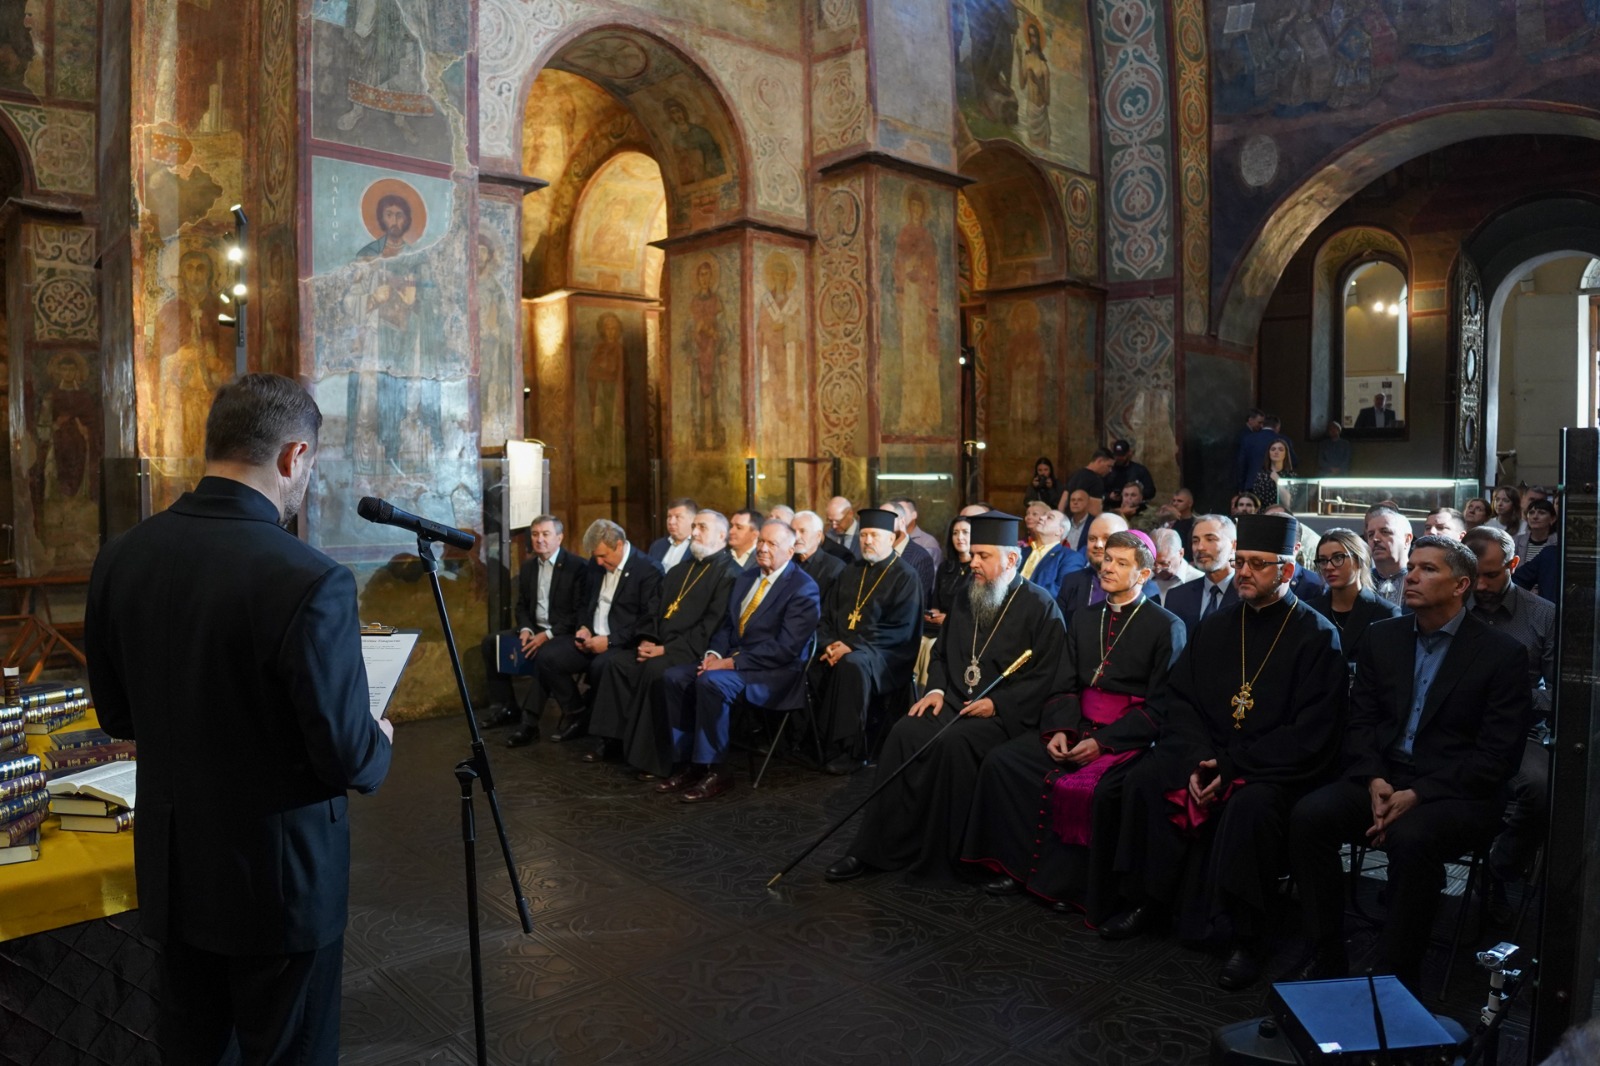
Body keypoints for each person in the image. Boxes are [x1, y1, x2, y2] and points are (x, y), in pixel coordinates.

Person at [86, 373, 394, 1061]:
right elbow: (346, 756)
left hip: (176, 875)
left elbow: (117, 715)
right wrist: (377, 741)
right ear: (294, 455)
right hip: (278, 887)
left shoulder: (122, 557)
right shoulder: (310, 578)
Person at [1101, 513, 1346, 991]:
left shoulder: (1317, 636)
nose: (1244, 573)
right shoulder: (1215, 626)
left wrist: (1231, 765)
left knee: (1252, 806)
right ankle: (1148, 900)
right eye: (1240, 562)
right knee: (1147, 777)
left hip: (1272, 766)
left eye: (1257, 564)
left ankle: (1246, 937)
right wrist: (1199, 758)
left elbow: (1312, 731)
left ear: (1287, 570)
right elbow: (1182, 700)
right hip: (1209, 753)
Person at [1287, 536, 1529, 993]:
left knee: (1412, 837)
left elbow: (1496, 757)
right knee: (1309, 816)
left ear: (1461, 585)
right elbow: (1361, 720)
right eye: (1412, 567)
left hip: (1455, 790)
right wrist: (1375, 779)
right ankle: (1325, 949)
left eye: (1428, 569)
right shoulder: (1385, 636)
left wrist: (1418, 794)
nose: (1411, 577)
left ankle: (1396, 975)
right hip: (1385, 775)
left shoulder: (1500, 654)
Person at [825, 512, 1068, 882]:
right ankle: (874, 848)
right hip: (953, 700)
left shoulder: (1041, 607)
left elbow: (1048, 675)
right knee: (904, 732)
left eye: (983, 556)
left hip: (1002, 714)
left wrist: (998, 704)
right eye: (973, 554)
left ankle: (940, 855)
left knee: (953, 744)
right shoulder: (967, 596)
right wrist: (936, 689)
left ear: (1011, 559)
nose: (973, 562)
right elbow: (940, 654)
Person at [963, 531, 1186, 919]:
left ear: (1144, 575)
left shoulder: (1167, 626)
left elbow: (1160, 706)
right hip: (1077, 725)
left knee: (1092, 791)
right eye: (1107, 559)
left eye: (1121, 563)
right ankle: (1013, 868)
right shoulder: (1083, 618)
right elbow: (1064, 683)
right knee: (1005, 762)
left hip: (1125, 739)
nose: (1108, 567)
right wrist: (1061, 731)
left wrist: (1104, 743)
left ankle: (1070, 887)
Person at [655, 520, 820, 801]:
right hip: (734, 661)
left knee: (711, 683)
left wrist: (731, 663)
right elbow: (727, 626)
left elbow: (785, 649)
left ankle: (716, 770)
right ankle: (688, 764)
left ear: (790, 551)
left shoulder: (803, 588)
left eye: (772, 544)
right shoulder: (747, 577)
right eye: (761, 541)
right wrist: (714, 655)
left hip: (775, 672)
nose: (763, 548)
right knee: (675, 677)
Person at [586, 510, 742, 775]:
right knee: (617, 663)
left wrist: (665, 649)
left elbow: (712, 625)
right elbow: (654, 609)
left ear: (721, 536)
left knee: (654, 670)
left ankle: (653, 758)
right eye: (694, 526)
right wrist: (648, 639)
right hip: (660, 644)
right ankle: (613, 741)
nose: (694, 532)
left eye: (702, 527)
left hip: (689, 651)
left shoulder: (730, 574)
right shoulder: (681, 569)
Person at [1462, 526, 1556, 897]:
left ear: (1513, 564)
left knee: (1541, 789)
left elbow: (1562, 694)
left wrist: (1510, 698)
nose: (1481, 586)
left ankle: (1498, 870)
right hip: (1455, 727)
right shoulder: (1453, 604)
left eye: (1491, 574)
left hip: (1519, 732)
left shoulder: (1542, 615)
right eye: (1474, 576)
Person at [516, 519, 664, 746]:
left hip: (621, 643)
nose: (599, 562)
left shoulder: (648, 569)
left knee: (601, 666)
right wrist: (584, 628)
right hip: (591, 637)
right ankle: (576, 713)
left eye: (603, 556)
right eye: (596, 557)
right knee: (548, 656)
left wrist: (609, 641)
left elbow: (646, 620)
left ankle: (605, 737)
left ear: (619, 545)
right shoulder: (596, 564)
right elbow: (584, 604)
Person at [809, 508, 924, 773]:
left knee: (852, 665)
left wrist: (851, 645)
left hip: (887, 654)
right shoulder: (850, 572)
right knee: (811, 660)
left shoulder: (905, 576)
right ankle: (812, 743)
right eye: (863, 535)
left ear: (891, 538)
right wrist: (829, 644)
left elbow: (901, 628)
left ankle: (849, 750)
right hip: (844, 648)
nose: (867, 541)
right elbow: (825, 615)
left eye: (874, 535)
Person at [478, 515, 588, 730]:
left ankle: (530, 721)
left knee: (544, 654)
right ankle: (506, 707)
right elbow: (521, 606)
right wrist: (526, 629)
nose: (539, 539)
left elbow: (578, 613)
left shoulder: (577, 567)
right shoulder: (529, 567)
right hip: (534, 629)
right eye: (535, 534)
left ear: (559, 537)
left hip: (562, 634)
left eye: (546, 534)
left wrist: (547, 635)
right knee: (491, 643)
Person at [1303, 528, 1398, 665]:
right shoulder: (1309, 612)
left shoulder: (1385, 613)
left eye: (1338, 558)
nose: (1328, 567)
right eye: (1323, 560)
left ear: (1359, 560)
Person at [1054, 512, 1131, 631]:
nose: (1098, 545)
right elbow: (1058, 631)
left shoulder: (1136, 586)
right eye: (1092, 539)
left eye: (1107, 538)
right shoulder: (1071, 582)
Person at [1163, 515, 1239, 635]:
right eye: (1195, 541)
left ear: (1234, 545)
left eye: (1210, 539)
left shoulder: (1249, 595)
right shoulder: (1176, 597)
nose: (1200, 547)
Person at [1019, 508, 1086, 598]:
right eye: (1043, 515)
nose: (1041, 518)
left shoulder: (1070, 558)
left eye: (1049, 517)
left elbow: (1062, 592)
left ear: (1059, 531)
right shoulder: (1021, 552)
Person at [927, 515, 973, 641]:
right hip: (938, 628)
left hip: (963, 630)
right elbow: (935, 604)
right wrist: (933, 615)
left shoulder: (979, 568)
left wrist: (949, 619)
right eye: (955, 533)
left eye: (965, 532)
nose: (959, 537)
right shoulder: (945, 567)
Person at [885, 498, 939, 603]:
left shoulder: (922, 555)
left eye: (888, 518)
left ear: (902, 521)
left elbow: (918, 599)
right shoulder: (880, 552)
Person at [792, 509, 847, 603]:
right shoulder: (785, 562)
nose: (796, 537)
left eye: (802, 531)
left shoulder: (834, 567)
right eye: (793, 531)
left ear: (818, 535)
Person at [1365, 505, 1412, 608]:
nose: (1375, 539)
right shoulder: (1362, 582)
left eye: (1385, 532)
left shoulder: (1420, 581)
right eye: (1371, 535)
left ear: (1407, 539)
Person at [886, 494, 943, 568]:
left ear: (914, 515)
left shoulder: (927, 542)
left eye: (902, 510)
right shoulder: (886, 538)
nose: (898, 515)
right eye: (894, 512)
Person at [1149, 527, 1202, 605]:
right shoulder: (1142, 578)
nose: (1157, 570)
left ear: (1181, 553)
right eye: (1152, 563)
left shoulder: (1199, 581)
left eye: (1164, 564)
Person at [647, 497, 698, 570]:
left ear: (693, 520)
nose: (671, 522)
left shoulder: (700, 547)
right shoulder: (657, 546)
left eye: (678, 517)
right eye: (669, 516)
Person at [1104, 439, 1156, 509]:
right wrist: (1109, 496)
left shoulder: (1139, 470)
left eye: (1122, 455)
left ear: (1128, 453)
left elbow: (1151, 491)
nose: (1119, 458)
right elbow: (1098, 490)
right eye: (1117, 455)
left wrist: (1135, 495)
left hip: (1135, 508)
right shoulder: (1108, 470)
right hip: (1112, 507)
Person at [1232, 408, 1275, 491]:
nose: (1262, 426)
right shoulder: (1244, 437)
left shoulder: (1248, 436)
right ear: (1250, 420)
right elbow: (1240, 462)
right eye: (1259, 422)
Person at [1064, 449, 1115, 516]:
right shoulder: (1096, 481)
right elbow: (1095, 512)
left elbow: (1062, 504)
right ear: (1099, 461)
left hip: (1069, 519)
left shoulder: (1075, 474)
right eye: (1109, 466)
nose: (1110, 470)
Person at [1249, 437, 1294, 511]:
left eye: (1280, 449)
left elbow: (1288, 502)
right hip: (1265, 514)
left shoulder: (1291, 476)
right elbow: (1257, 503)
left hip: (1284, 514)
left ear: (1285, 454)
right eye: (1273, 449)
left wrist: (1278, 481)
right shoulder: (1261, 476)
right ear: (1269, 453)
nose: (1276, 452)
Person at [1521, 497, 1557, 564]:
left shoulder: (1558, 543)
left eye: (1541, 513)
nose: (1535, 517)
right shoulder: (1516, 541)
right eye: (1531, 513)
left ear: (1552, 519)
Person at [1057, 487, 1094, 553]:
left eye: (1080, 500)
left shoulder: (1094, 523)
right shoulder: (1064, 522)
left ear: (1088, 503)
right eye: (1072, 500)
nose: (1075, 502)